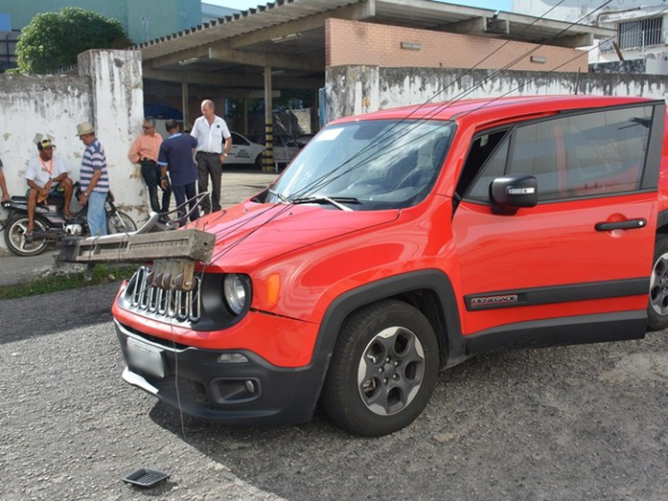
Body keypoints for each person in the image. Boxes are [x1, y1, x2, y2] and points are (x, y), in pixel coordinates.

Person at [24, 138, 73, 237]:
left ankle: (66, 209)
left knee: (68, 182)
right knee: (32, 192)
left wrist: (52, 180)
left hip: (56, 189)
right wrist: (40, 189)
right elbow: (29, 181)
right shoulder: (34, 161)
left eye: (51, 148)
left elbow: (64, 174)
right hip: (40, 190)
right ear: (40, 151)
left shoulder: (58, 159)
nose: (50, 151)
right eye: (46, 149)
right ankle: (30, 223)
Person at [191, 99, 232, 214]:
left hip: (215, 157)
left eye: (206, 110)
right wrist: (191, 156)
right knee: (202, 183)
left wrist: (224, 154)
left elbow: (228, 139)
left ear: (212, 109)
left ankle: (216, 207)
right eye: (202, 110)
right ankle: (205, 208)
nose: (204, 112)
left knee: (216, 182)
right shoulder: (198, 122)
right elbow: (193, 139)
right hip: (202, 156)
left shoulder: (221, 122)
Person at [158, 120, 200, 226]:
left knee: (180, 202)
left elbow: (163, 165)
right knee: (192, 199)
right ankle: (195, 220)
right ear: (177, 127)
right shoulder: (187, 138)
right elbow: (195, 145)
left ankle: (182, 222)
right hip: (190, 174)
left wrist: (163, 178)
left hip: (177, 176)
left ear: (167, 130)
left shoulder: (166, 144)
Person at [128, 117, 170, 219]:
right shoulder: (141, 139)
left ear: (153, 127)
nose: (145, 130)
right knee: (153, 190)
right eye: (144, 127)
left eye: (147, 128)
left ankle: (164, 212)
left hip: (159, 165)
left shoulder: (158, 137)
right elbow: (132, 154)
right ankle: (158, 215)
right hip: (148, 165)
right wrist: (141, 161)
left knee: (168, 189)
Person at [77, 122, 109, 237]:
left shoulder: (94, 148)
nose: (82, 141)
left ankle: (96, 244)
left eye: (82, 138)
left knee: (93, 219)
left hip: (96, 190)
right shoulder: (93, 147)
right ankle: (103, 243)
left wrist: (86, 193)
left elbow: (97, 173)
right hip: (97, 190)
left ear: (86, 136)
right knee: (100, 220)